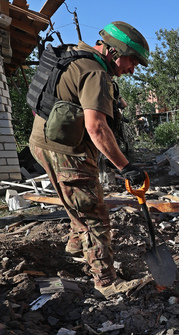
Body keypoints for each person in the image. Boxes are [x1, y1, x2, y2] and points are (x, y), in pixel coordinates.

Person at [28, 21, 150, 298]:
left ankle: (74, 246)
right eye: (132, 62)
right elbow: (96, 128)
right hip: (67, 153)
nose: (132, 69)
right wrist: (126, 168)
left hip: (43, 143)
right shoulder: (96, 73)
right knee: (94, 214)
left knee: (76, 198)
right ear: (115, 52)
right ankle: (106, 281)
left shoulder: (75, 56)